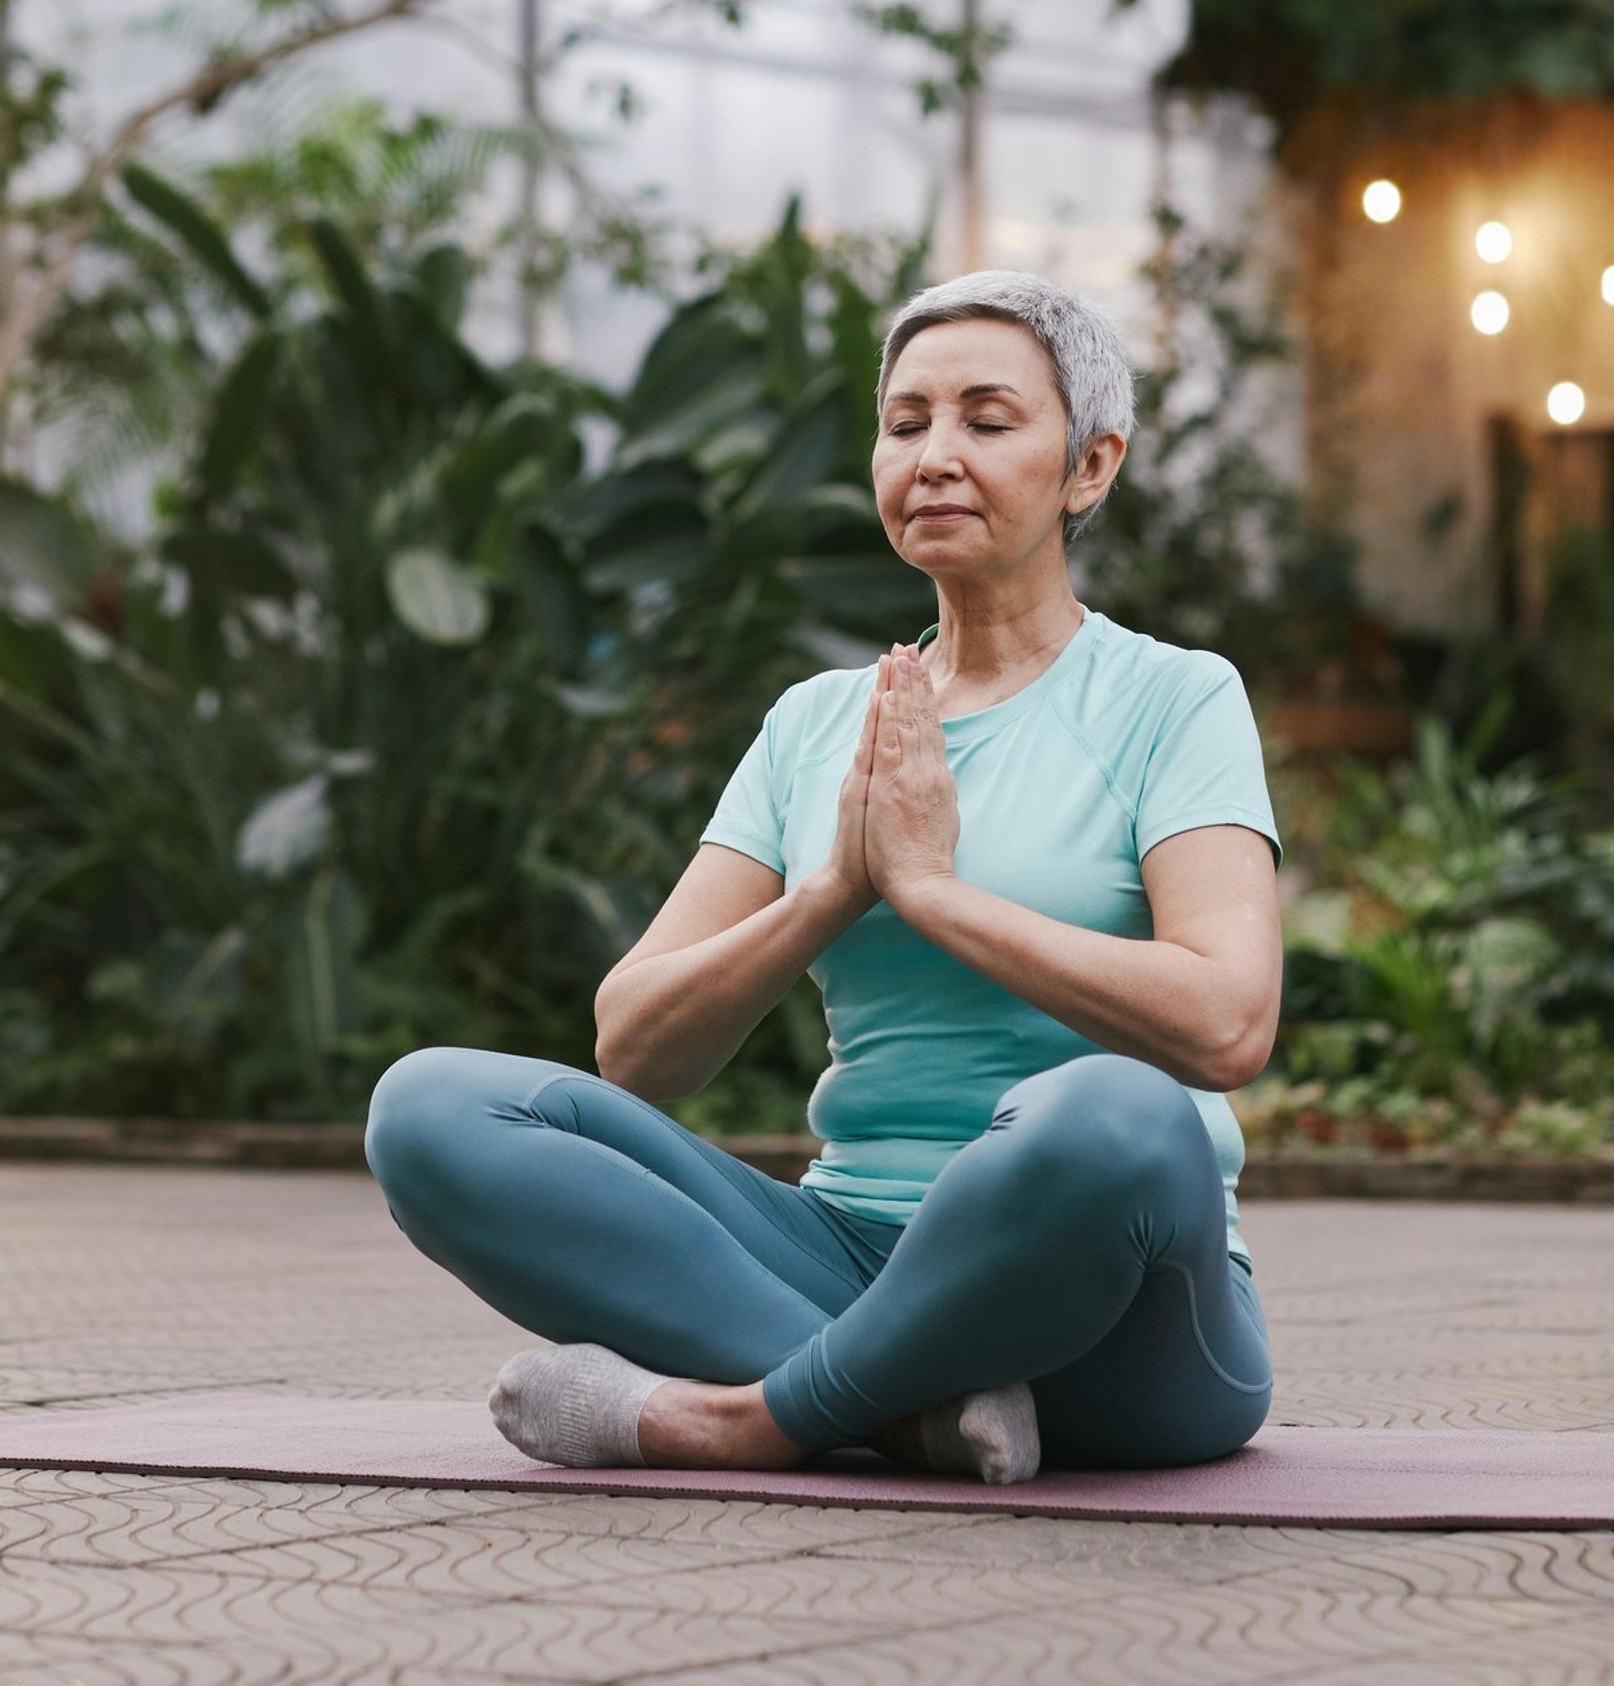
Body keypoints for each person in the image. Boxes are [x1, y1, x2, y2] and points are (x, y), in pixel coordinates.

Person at [365, 268, 1284, 1483]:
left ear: (1091, 466)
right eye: (906, 425)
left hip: (1121, 1317)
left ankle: (741, 1419)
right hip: (847, 1249)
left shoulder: (1175, 698)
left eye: (988, 421)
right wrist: (827, 896)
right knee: (432, 1107)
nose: (935, 456)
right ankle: (910, 1410)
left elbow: (1226, 1025)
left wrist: (937, 894)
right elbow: (637, 1047)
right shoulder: (819, 724)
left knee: (1112, 1112)